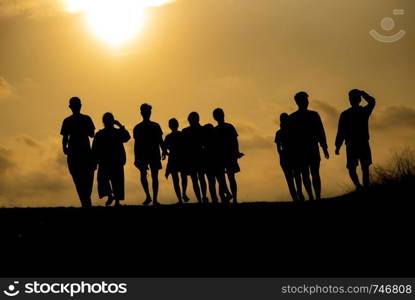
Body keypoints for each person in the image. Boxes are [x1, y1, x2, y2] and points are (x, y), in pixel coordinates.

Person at [289, 92, 329, 201]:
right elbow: (290, 138)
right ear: (298, 102)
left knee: (313, 173)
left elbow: (321, 132)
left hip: (311, 148)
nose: (306, 102)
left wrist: (324, 147)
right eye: (304, 100)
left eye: (306, 100)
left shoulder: (297, 117)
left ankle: (316, 196)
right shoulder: (294, 118)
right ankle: (313, 196)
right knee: (307, 174)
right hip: (302, 150)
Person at [335, 89, 376, 189]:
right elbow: (341, 131)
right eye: (350, 97)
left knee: (360, 167)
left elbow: (341, 132)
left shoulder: (354, 113)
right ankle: (361, 186)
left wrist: (338, 146)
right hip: (355, 143)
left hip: (357, 143)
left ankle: (362, 186)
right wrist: (338, 145)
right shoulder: (360, 112)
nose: (351, 99)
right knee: (358, 167)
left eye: (352, 97)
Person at [60, 97, 95, 208]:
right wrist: (65, 148)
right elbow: (92, 134)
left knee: (81, 179)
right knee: (82, 179)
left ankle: (85, 202)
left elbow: (65, 137)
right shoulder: (85, 119)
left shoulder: (68, 120)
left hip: (79, 153)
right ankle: (86, 203)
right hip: (79, 153)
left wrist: (65, 148)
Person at [92, 113, 130, 207]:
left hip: (113, 160)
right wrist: (120, 126)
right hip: (108, 161)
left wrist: (121, 126)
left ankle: (115, 200)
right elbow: (95, 149)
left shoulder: (104, 133)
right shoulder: (102, 134)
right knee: (108, 180)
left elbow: (127, 137)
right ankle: (112, 197)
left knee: (115, 181)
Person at [133, 103, 167, 205]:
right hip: (145, 154)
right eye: (146, 111)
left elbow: (160, 140)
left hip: (152, 153)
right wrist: (136, 157)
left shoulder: (151, 126)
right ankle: (149, 197)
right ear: (142, 113)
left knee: (153, 176)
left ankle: (153, 198)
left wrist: (164, 151)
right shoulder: (139, 128)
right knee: (146, 175)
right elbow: (137, 144)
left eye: (148, 111)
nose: (147, 113)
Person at [213, 108, 244, 204]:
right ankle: (233, 198)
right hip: (227, 155)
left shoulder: (217, 129)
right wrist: (237, 152)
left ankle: (231, 197)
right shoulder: (228, 127)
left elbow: (235, 141)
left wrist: (236, 152)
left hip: (224, 155)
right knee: (229, 177)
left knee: (223, 178)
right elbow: (235, 141)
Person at [275, 113, 304, 202]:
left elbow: (278, 148)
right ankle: (298, 194)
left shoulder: (279, 132)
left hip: (287, 156)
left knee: (290, 178)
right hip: (292, 155)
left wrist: (281, 155)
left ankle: (296, 196)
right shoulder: (292, 131)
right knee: (296, 176)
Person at [182, 112, 208, 203]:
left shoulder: (186, 131)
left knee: (197, 179)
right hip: (195, 157)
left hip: (195, 157)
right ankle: (202, 198)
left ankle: (202, 198)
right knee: (199, 178)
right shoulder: (202, 130)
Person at [164, 118, 189, 204]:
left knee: (177, 179)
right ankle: (183, 195)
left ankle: (181, 197)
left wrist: (166, 153)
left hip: (175, 159)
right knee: (182, 177)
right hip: (179, 158)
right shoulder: (181, 135)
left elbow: (165, 149)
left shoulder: (169, 137)